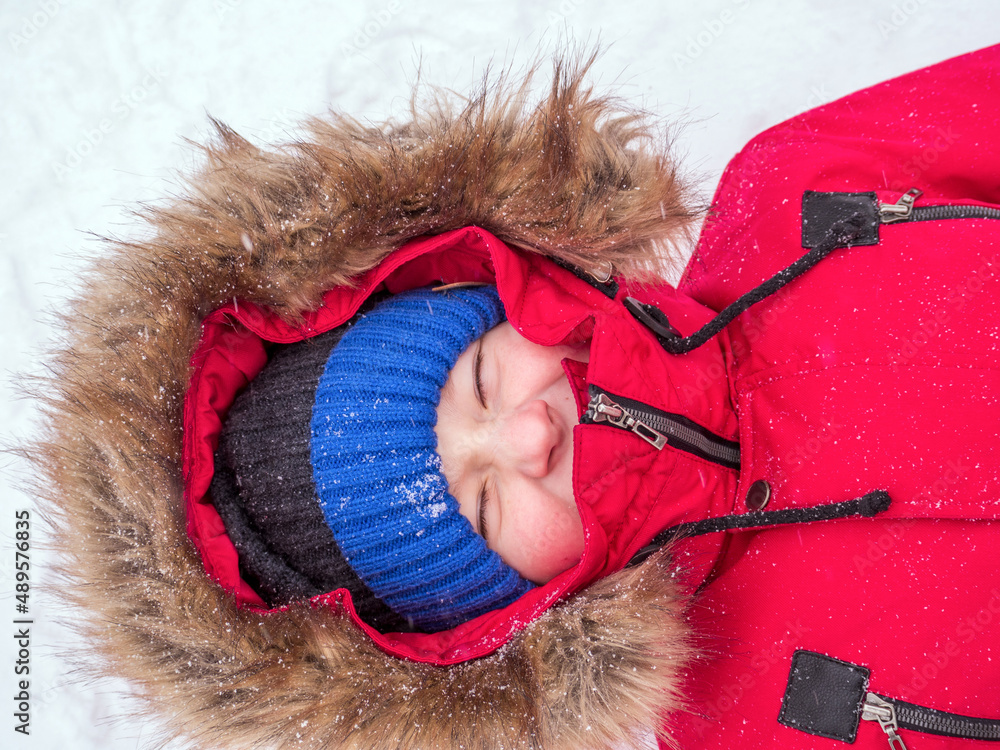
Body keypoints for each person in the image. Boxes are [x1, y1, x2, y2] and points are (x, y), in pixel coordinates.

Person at [30, 47, 1000, 749]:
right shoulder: (749, 723)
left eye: (484, 379)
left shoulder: (795, 198)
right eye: (485, 508)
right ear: (496, 618)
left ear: (493, 297)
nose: (531, 431)